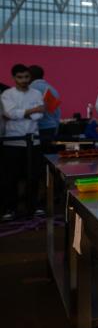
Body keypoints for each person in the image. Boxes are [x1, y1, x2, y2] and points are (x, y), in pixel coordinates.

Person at [1, 64, 45, 220]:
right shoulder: (7, 94)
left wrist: (21, 114)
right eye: (20, 77)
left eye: (26, 77)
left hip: (33, 141)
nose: (24, 80)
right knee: (10, 178)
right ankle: (10, 209)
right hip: (13, 141)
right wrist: (31, 111)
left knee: (33, 176)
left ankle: (34, 207)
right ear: (14, 78)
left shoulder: (36, 93)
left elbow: (40, 115)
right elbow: (10, 113)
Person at [28, 65, 61, 144]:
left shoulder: (31, 89)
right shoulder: (52, 88)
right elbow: (57, 111)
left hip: (40, 129)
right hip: (52, 127)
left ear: (31, 76)